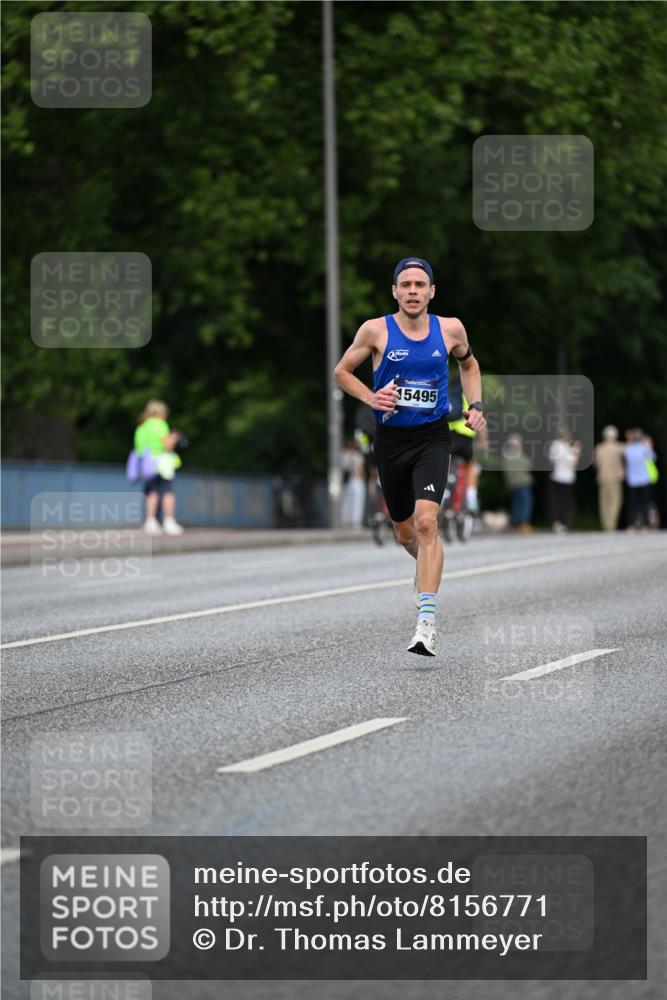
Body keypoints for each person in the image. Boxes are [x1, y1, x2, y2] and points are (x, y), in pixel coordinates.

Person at [334, 257, 486, 656]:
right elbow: (341, 372)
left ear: (432, 291)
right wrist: (371, 397)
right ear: (395, 291)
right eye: (406, 285)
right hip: (390, 442)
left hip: (432, 438)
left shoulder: (450, 329)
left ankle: (426, 622)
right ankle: (425, 566)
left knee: (426, 522)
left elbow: (470, 365)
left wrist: (475, 405)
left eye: (420, 284)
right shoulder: (375, 330)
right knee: (405, 533)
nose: (413, 291)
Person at [134, 400, 184, 535]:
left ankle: (150, 522)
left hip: (147, 463)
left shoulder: (142, 427)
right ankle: (169, 522)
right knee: (167, 492)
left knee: (151, 492)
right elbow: (167, 445)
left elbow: (138, 448)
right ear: (161, 412)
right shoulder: (160, 424)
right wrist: (174, 439)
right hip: (162, 462)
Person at [547, 428, 581, 532]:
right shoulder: (565, 447)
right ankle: (560, 522)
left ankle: (559, 523)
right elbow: (572, 463)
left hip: (560, 476)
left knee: (560, 501)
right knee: (563, 502)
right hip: (564, 477)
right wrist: (576, 451)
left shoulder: (555, 446)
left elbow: (552, 460)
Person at [623, 428, 656, 530]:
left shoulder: (628, 449)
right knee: (645, 503)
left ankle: (631, 525)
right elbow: (653, 457)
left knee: (632, 504)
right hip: (645, 479)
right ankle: (645, 525)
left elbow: (625, 459)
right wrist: (648, 445)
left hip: (632, 480)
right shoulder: (644, 449)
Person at [593, 425, 625, 532]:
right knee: (615, 501)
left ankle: (606, 524)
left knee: (604, 502)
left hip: (602, 477)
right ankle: (611, 524)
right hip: (615, 477)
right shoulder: (618, 447)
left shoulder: (599, 448)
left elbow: (596, 463)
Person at [502, 434, 534, 532]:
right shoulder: (517, 454)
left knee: (516, 503)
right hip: (521, 482)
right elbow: (528, 464)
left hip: (513, 483)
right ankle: (523, 523)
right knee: (525, 502)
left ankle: (516, 523)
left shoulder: (507, 454)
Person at [341, 439, 367, 529]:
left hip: (347, 482)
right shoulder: (358, 456)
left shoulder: (344, 455)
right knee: (357, 502)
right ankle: (356, 522)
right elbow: (359, 469)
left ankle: (346, 521)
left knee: (347, 502)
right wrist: (363, 477)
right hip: (357, 481)